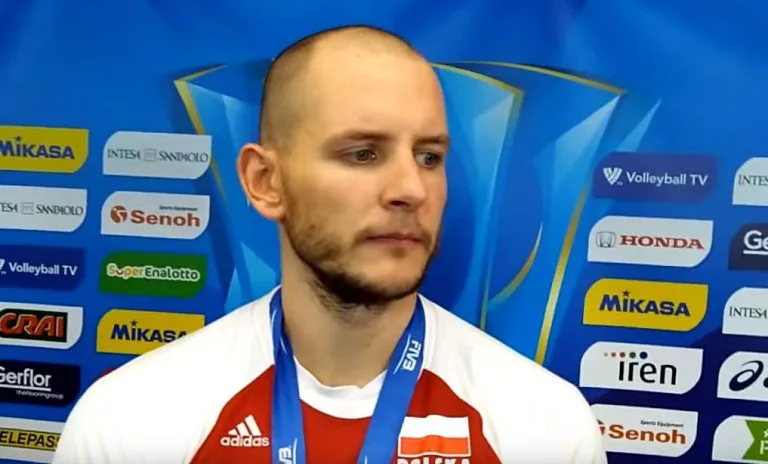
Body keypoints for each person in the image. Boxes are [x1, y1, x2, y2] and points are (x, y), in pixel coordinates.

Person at [52, 25, 607, 464]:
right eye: (363, 153)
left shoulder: (546, 428)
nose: (411, 189)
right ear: (265, 182)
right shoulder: (131, 422)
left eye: (429, 156)